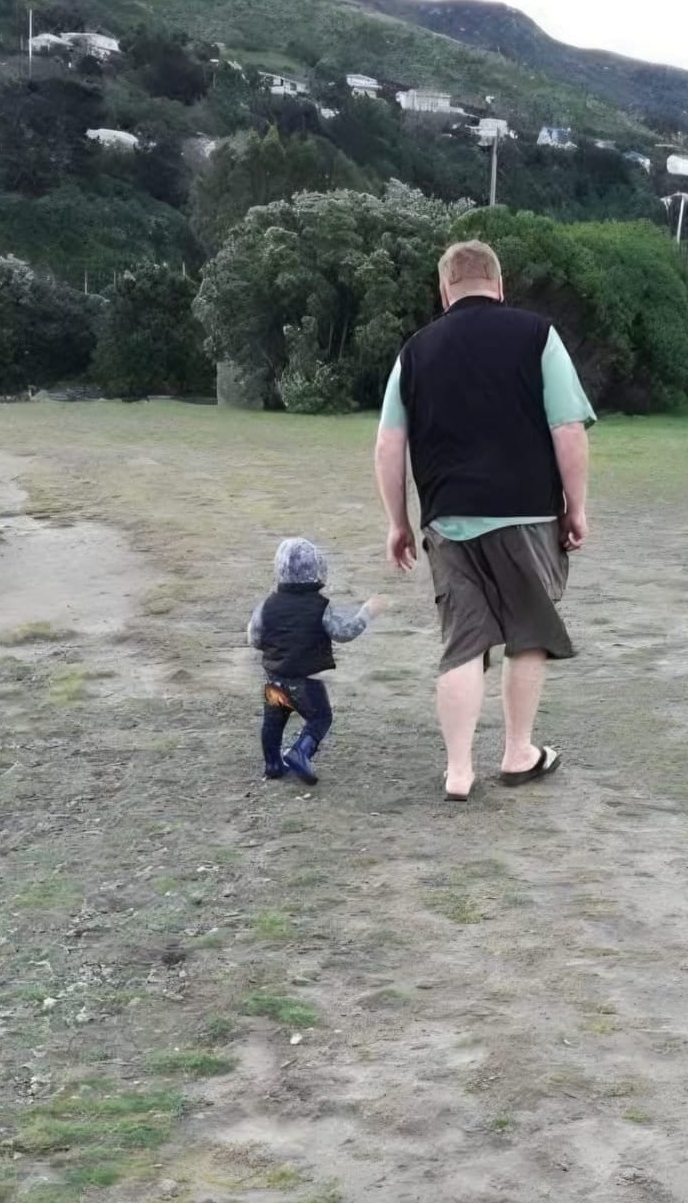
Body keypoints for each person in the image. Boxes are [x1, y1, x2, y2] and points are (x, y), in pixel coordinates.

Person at [374, 240, 594, 801]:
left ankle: (458, 772)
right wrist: (577, 506)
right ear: (499, 284)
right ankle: (519, 752)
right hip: (527, 513)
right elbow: (567, 429)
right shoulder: (538, 335)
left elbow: (388, 444)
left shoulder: (415, 351)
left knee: (463, 642)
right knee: (528, 634)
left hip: (448, 520)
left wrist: (398, 522)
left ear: (444, 290)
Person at [247, 537, 385, 786]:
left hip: (273, 680)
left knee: (273, 722)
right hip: (305, 683)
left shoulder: (266, 606)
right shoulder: (320, 607)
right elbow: (344, 633)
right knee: (320, 718)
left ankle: (273, 764)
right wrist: (367, 612)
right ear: (318, 570)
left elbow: (254, 638)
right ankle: (301, 751)